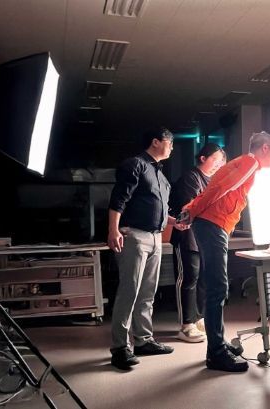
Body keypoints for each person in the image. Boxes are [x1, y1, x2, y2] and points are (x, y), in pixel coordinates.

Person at [176, 131, 270, 373]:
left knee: (216, 287)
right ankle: (216, 353)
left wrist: (191, 209)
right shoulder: (250, 162)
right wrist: (193, 211)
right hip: (213, 224)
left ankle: (218, 343)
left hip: (212, 223)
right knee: (218, 288)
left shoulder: (243, 163)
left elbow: (213, 188)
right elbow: (220, 189)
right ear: (265, 148)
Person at [107, 127, 177, 370]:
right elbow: (119, 198)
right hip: (135, 235)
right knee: (129, 290)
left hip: (156, 237)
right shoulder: (135, 164)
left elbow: (158, 208)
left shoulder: (161, 175)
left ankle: (143, 340)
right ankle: (119, 347)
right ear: (156, 141)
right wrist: (113, 230)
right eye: (169, 142)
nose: (172, 147)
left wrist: (175, 221)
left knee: (148, 292)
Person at [168, 143, 225, 343]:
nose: (218, 164)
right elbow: (190, 207)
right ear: (203, 158)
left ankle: (199, 318)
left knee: (203, 279)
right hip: (187, 235)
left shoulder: (213, 180)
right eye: (215, 160)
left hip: (205, 236)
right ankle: (186, 324)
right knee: (188, 278)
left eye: (221, 162)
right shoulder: (190, 177)